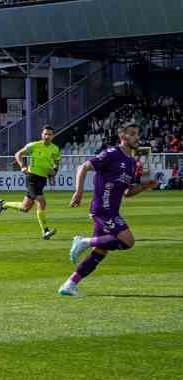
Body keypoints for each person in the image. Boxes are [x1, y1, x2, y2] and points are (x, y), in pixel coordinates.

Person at [60, 124, 158, 297]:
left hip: (111, 210)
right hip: (103, 210)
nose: (137, 138)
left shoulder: (131, 162)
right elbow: (83, 167)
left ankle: (69, 284)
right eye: (133, 134)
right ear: (123, 137)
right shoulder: (112, 153)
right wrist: (79, 191)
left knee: (100, 252)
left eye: (138, 134)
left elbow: (127, 192)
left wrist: (145, 186)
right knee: (128, 241)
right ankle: (83, 241)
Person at [0, 126, 61, 240]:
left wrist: (53, 173)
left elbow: (56, 164)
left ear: (53, 136)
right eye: (45, 134)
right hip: (32, 178)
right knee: (41, 202)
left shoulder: (55, 149)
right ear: (42, 134)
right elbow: (18, 154)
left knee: (25, 208)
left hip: (42, 180)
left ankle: (3, 204)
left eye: (49, 134)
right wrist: (22, 166)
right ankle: (45, 231)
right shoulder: (34, 145)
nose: (47, 136)